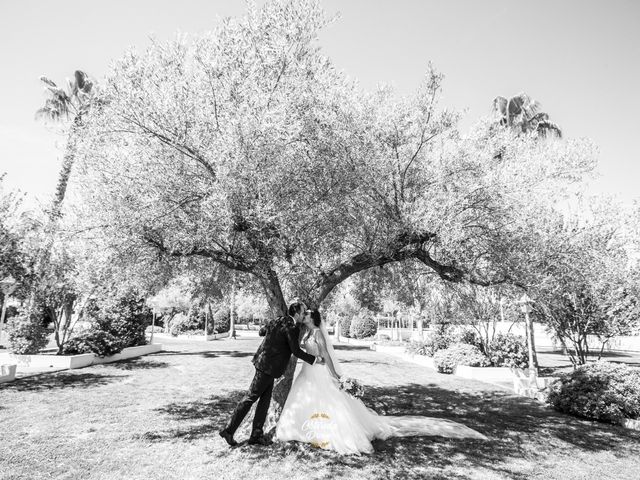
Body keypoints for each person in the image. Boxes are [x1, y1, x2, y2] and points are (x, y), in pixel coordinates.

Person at [275, 310, 487, 455]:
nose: (305, 317)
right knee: (305, 399)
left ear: (314, 319)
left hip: (319, 372)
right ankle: (302, 429)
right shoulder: (307, 332)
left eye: (308, 315)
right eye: (305, 315)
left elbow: (327, 356)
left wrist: (336, 375)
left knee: (327, 401)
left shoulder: (318, 333)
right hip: (306, 372)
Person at [219, 302, 324, 446]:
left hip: (265, 365)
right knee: (250, 398)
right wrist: (314, 359)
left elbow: (261, 331)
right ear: (297, 314)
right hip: (267, 367)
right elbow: (296, 351)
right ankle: (228, 430)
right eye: (303, 311)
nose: (304, 313)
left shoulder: (278, 320)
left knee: (264, 401)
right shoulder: (292, 327)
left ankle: (256, 435)